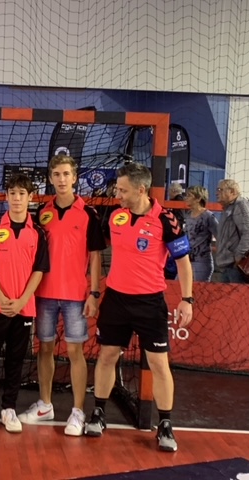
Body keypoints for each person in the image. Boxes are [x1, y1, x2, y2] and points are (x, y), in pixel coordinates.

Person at [84, 163, 193, 453]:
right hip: (116, 300)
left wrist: (187, 298)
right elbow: (95, 248)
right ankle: (98, 413)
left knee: (158, 364)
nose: (117, 194)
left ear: (141, 189)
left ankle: (166, 424)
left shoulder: (167, 220)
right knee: (107, 356)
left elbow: (183, 262)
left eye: (122, 189)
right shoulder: (116, 216)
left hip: (149, 303)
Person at [18, 155, 106, 436]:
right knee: (44, 349)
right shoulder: (42, 213)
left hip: (75, 295)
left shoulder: (88, 214)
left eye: (66, 174)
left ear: (75, 177)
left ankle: (78, 412)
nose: (61, 179)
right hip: (43, 294)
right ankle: (45, 405)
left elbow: (95, 257)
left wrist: (93, 293)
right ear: (51, 177)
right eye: (56, 174)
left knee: (74, 351)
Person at [0, 173, 50, 434]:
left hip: (23, 308)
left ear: (30, 197)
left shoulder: (37, 233)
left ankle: (8, 408)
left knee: (16, 360)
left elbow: (39, 270)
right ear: (7, 196)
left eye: (22, 194)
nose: (16, 198)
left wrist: (21, 301)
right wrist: (2, 297)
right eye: (12, 193)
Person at [215, 179, 249, 284]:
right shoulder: (230, 207)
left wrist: (238, 258)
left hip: (237, 268)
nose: (217, 193)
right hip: (229, 266)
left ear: (232, 191)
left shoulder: (241, 206)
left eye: (220, 189)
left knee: (237, 299)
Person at [184, 186, 219, 282]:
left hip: (202, 260)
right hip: (187, 258)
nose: (185, 198)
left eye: (189, 196)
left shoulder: (208, 216)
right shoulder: (187, 215)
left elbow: (219, 235)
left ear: (198, 198)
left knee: (199, 290)